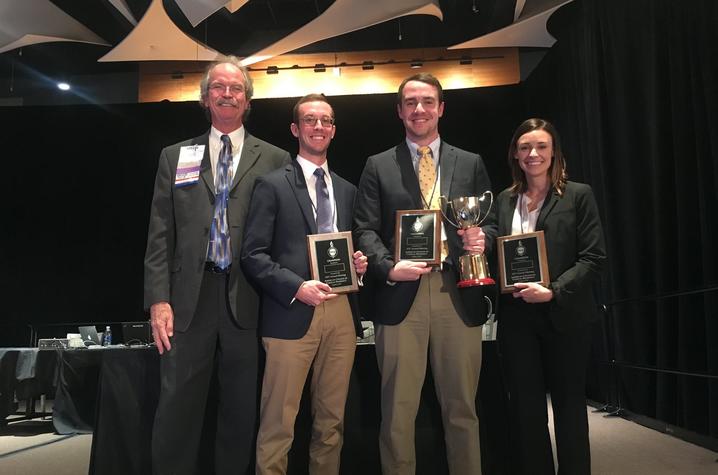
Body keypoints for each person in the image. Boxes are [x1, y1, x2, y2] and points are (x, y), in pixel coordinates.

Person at [143, 56, 291, 475]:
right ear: (205, 98)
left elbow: (286, 234)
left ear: (248, 100)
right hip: (188, 300)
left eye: (236, 89)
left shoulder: (276, 158)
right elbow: (160, 234)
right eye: (219, 88)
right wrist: (158, 299)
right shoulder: (175, 157)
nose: (227, 94)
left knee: (241, 412)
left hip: (250, 298)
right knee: (176, 410)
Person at [353, 73, 496, 475]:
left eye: (428, 101)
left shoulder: (470, 163)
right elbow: (364, 227)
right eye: (411, 102)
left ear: (441, 108)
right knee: (397, 410)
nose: (420, 109)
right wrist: (388, 267)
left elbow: (493, 223)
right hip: (402, 296)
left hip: (456, 291)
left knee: (462, 407)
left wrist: (480, 237)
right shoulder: (377, 165)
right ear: (399, 111)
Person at [241, 93, 368, 475]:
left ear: (333, 130)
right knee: (278, 424)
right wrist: (297, 286)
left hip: (341, 313)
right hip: (291, 313)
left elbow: (345, 249)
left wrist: (357, 266)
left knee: (331, 422)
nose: (318, 127)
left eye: (325, 121)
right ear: (296, 129)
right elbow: (253, 255)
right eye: (310, 120)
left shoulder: (346, 189)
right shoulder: (272, 185)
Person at [495, 118, 606, 474]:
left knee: (570, 408)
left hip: (565, 316)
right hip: (517, 319)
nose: (533, 153)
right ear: (515, 153)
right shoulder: (504, 200)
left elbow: (593, 257)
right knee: (526, 411)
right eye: (525, 146)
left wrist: (554, 291)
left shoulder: (578, 195)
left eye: (541, 146)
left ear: (553, 150)